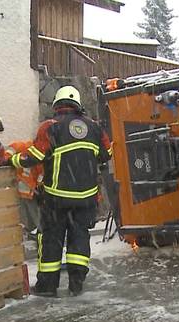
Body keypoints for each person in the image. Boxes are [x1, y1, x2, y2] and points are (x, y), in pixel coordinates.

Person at [8, 85, 112, 297]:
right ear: (78, 105)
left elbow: (34, 156)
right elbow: (107, 154)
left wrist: (12, 160)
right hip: (86, 199)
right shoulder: (95, 128)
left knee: (52, 241)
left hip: (57, 199)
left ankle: (47, 286)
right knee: (80, 238)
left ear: (57, 105)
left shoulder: (51, 127)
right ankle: (76, 283)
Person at [5, 140, 44, 242]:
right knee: (26, 214)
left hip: (32, 192)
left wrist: (40, 188)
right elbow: (6, 155)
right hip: (22, 190)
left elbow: (42, 174)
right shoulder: (20, 146)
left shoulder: (41, 156)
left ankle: (39, 233)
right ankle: (31, 232)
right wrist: (7, 160)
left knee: (34, 214)